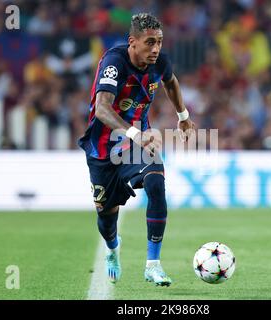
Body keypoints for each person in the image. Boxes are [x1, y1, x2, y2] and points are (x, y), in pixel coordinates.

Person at [78, 13, 195, 286]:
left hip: (136, 145)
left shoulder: (160, 62)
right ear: (133, 42)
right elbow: (104, 109)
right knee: (107, 218)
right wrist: (134, 133)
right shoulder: (114, 63)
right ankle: (112, 248)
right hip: (103, 150)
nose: (156, 49)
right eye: (150, 42)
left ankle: (153, 264)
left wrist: (183, 116)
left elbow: (171, 82)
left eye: (160, 42)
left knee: (156, 182)